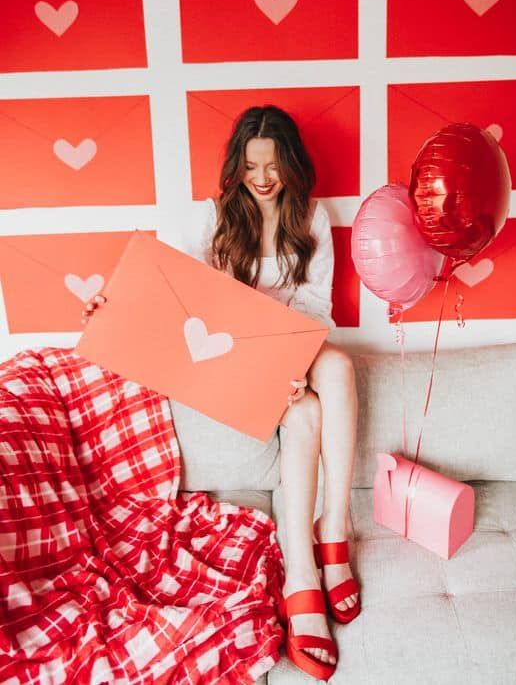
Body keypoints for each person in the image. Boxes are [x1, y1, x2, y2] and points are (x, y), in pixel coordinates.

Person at [82, 104, 360, 681]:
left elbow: (316, 308)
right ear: (237, 164)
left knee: (335, 376)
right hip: (230, 364)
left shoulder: (313, 216)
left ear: (291, 163)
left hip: (293, 353)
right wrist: (111, 310)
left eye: (274, 164)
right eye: (252, 165)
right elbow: (170, 296)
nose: (263, 178)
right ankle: (308, 568)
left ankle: (329, 533)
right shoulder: (207, 219)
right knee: (308, 404)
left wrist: (293, 361)